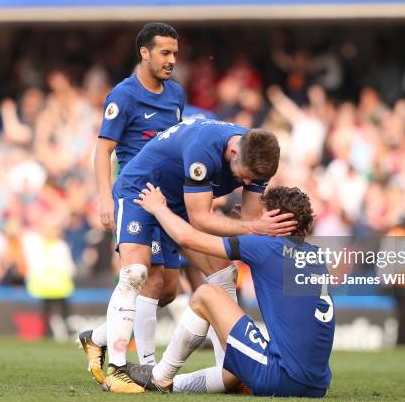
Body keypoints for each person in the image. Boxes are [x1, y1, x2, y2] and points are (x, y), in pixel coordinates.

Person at [102, 118, 294, 393]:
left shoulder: (259, 158)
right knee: (137, 274)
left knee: (223, 273)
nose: (248, 182)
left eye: (253, 179)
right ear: (233, 152)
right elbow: (203, 219)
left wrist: (256, 226)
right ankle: (118, 371)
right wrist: (252, 226)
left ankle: (231, 370)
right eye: (245, 176)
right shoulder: (204, 149)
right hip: (142, 192)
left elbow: (249, 221)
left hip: (181, 202)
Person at [126, 184, 334, 397]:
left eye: (260, 214)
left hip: (283, 378)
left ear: (274, 219)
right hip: (316, 385)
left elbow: (187, 239)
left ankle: (160, 376)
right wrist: (244, 224)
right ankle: (173, 384)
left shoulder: (267, 247)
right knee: (233, 372)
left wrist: (159, 209)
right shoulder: (315, 256)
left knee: (208, 294)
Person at [78, 22, 186, 386]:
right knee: (140, 277)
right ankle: (138, 369)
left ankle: (96, 338)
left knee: (167, 288)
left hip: (167, 199)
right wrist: (104, 197)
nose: (172, 59)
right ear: (144, 52)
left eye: (174, 52)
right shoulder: (122, 96)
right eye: (164, 53)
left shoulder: (176, 95)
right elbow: (103, 151)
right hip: (134, 195)